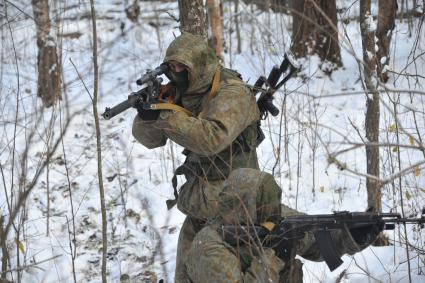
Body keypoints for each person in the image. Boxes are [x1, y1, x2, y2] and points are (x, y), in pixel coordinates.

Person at [132, 32, 382, 282]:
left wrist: (351, 237)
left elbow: (211, 139)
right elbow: (152, 140)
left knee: (286, 231)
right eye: (171, 66)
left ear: (199, 64)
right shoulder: (180, 93)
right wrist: (149, 114)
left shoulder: (232, 93)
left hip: (241, 200)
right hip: (201, 208)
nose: (175, 72)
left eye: (181, 66)